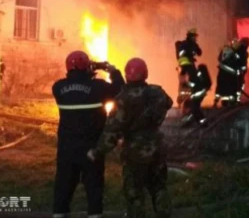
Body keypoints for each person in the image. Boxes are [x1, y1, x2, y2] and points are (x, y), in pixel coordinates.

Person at [87, 58, 173, 218]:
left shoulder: (122, 99)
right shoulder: (157, 92)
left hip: (134, 152)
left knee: (134, 192)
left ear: (127, 75)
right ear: (145, 74)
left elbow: (113, 130)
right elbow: (168, 102)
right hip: (157, 147)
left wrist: (97, 151)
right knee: (159, 187)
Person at [52, 50, 124, 218]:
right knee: (94, 188)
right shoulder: (99, 87)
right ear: (86, 66)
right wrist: (112, 70)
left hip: (66, 150)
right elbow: (120, 89)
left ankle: (59, 214)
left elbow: (75, 89)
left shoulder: (58, 88)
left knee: (63, 188)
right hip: (92, 150)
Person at [175, 28, 207, 125]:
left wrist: (196, 48)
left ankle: (188, 101)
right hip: (185, 65)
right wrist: (189, 53)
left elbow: (199, 53)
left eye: (195, 36)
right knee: (188, 83)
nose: (195, 38)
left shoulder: (193, 44)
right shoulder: (184, 44)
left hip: (189, 65)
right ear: (190, 36)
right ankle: (185, 101)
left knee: (190, 83)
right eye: (194, 36)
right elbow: (181, 55)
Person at [213, 39, 243, 108]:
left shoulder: (225, 50)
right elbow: (237, 63)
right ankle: (231, 102)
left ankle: (217, 101)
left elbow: (219, 59)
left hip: (221, 72)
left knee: (221, 87)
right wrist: (238, 71)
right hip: (230, 74)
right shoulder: (234, 54)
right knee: (231, 88)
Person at [235, 37, 249, 103]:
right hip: (239, 71)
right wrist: (242, 69)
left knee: (240, 84)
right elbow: (241, 61)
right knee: (239, 84)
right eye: (247, 44)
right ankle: (236, 99)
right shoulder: (241, 50)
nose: (248, 45)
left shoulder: (241, 49)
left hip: (239, 71)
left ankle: (237, 98)